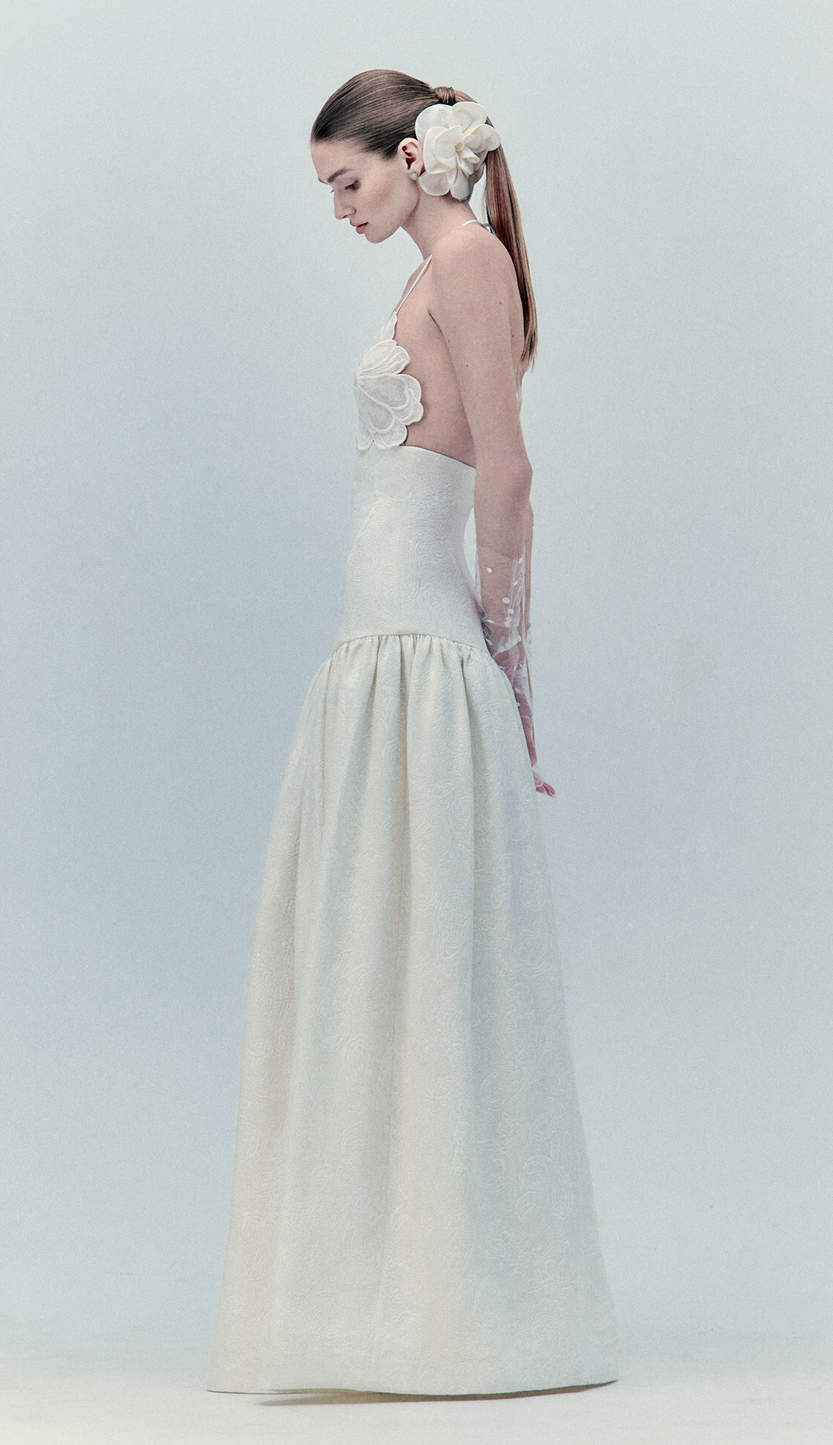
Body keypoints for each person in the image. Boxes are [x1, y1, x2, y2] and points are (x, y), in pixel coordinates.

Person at [206, 69, 618, 1398]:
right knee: (368, 966)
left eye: (349, 182)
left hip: (428, 659)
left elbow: (507, 471)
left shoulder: (470, 263)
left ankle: (457, 1318)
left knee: (426, 965)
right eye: (329, 190)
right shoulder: (429, 267)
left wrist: (510, 665)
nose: (339, 211)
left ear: (410, 154)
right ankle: (370, 1307)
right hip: (374, 661)